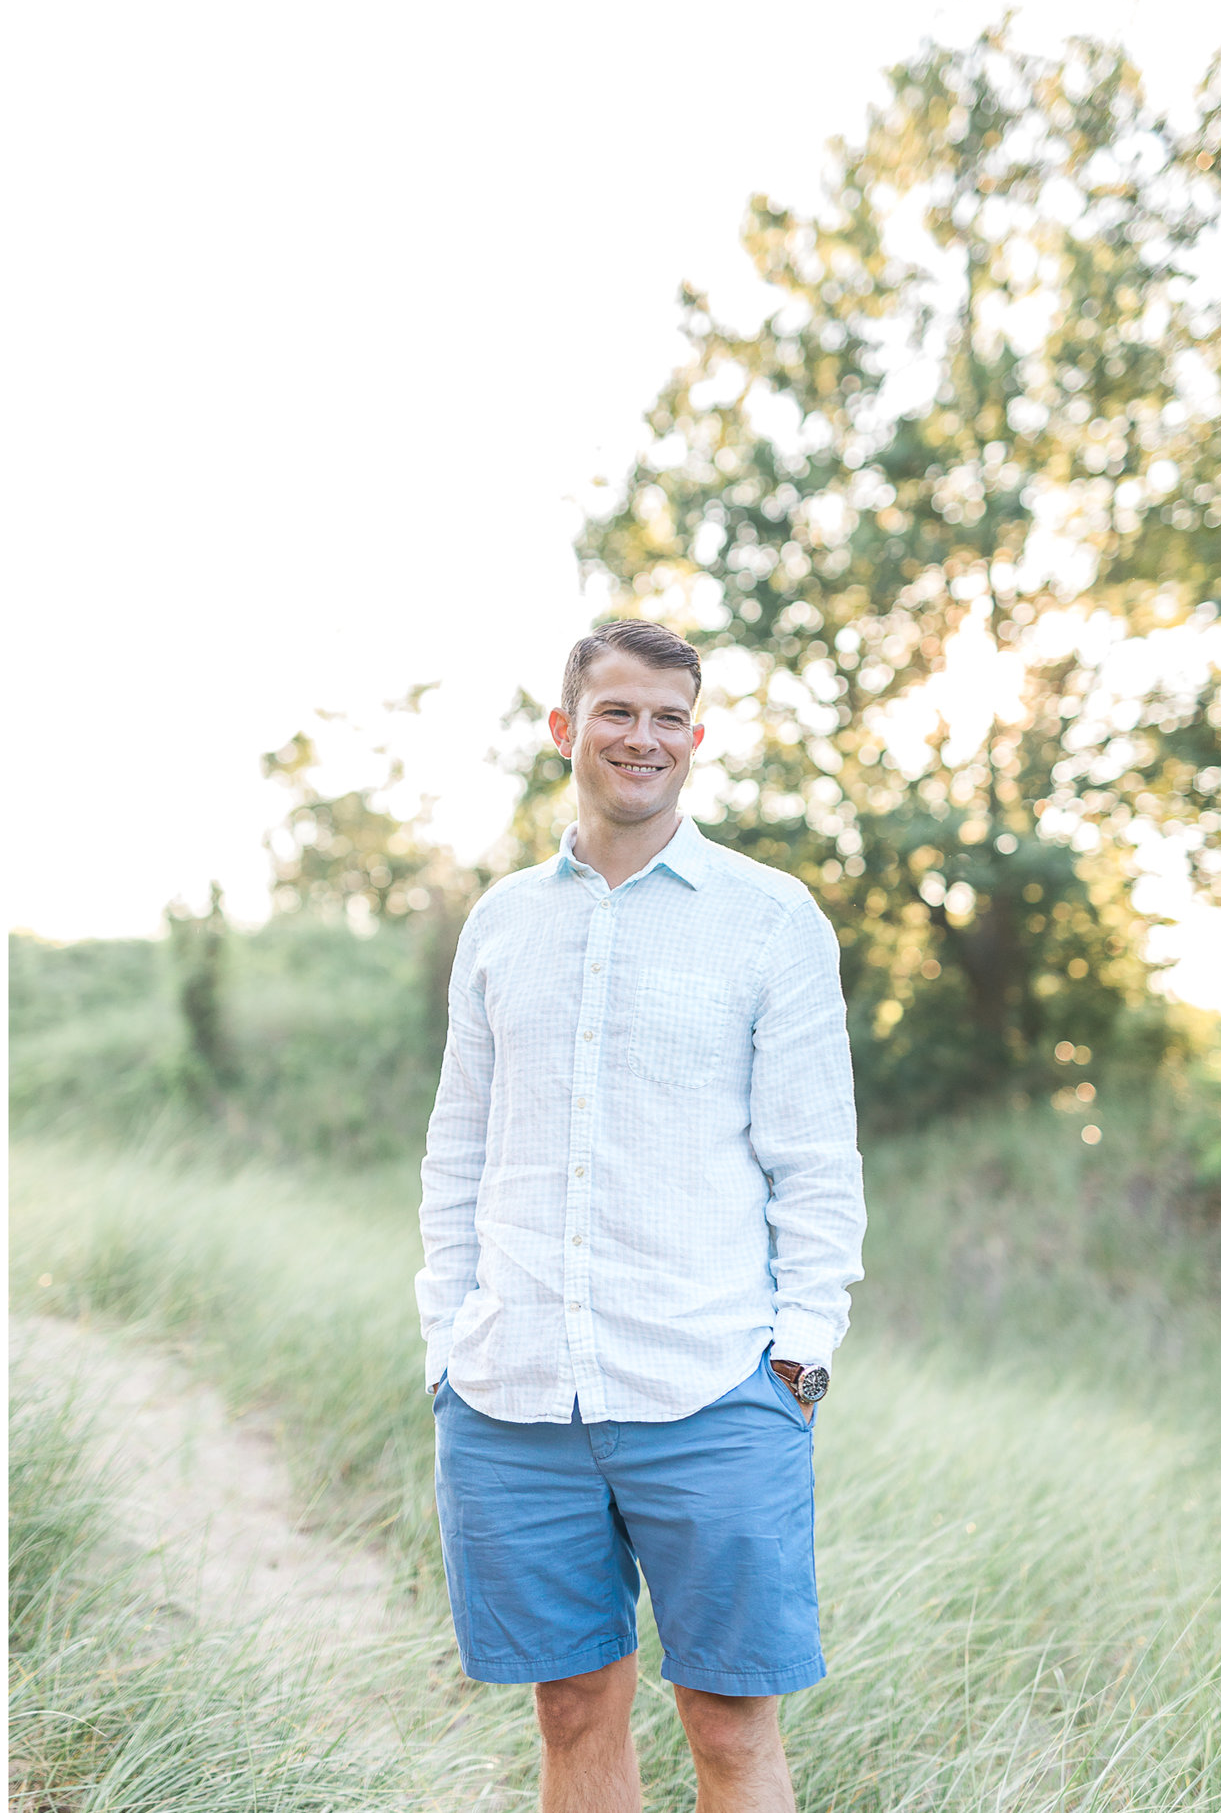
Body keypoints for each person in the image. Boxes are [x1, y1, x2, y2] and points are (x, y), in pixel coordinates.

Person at [416, 617, 864, 1813]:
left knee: (729, 1728)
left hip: (713, 1388)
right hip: (513, 1393)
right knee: (569, 1713)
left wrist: (799, 1363)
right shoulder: (502, 922)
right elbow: (457, 1147)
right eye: (616, 711)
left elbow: (817, 1166)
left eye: (668, 717)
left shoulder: (769, 920)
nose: (642, 737)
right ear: (566, 730)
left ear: (695, 739)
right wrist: (444, 1346)